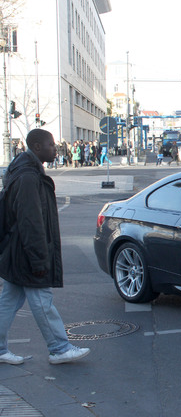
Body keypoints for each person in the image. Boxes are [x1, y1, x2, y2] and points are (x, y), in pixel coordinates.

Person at [0, 129, 90, 365]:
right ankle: (59, 348)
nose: (55, 148)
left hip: (16, 250)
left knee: (9, 300)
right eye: (51, 145)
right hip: (27, 252)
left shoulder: (21, 170)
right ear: (37, 147)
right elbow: (31, 222)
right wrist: (39, 260)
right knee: (41, 300)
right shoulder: (29, 177)